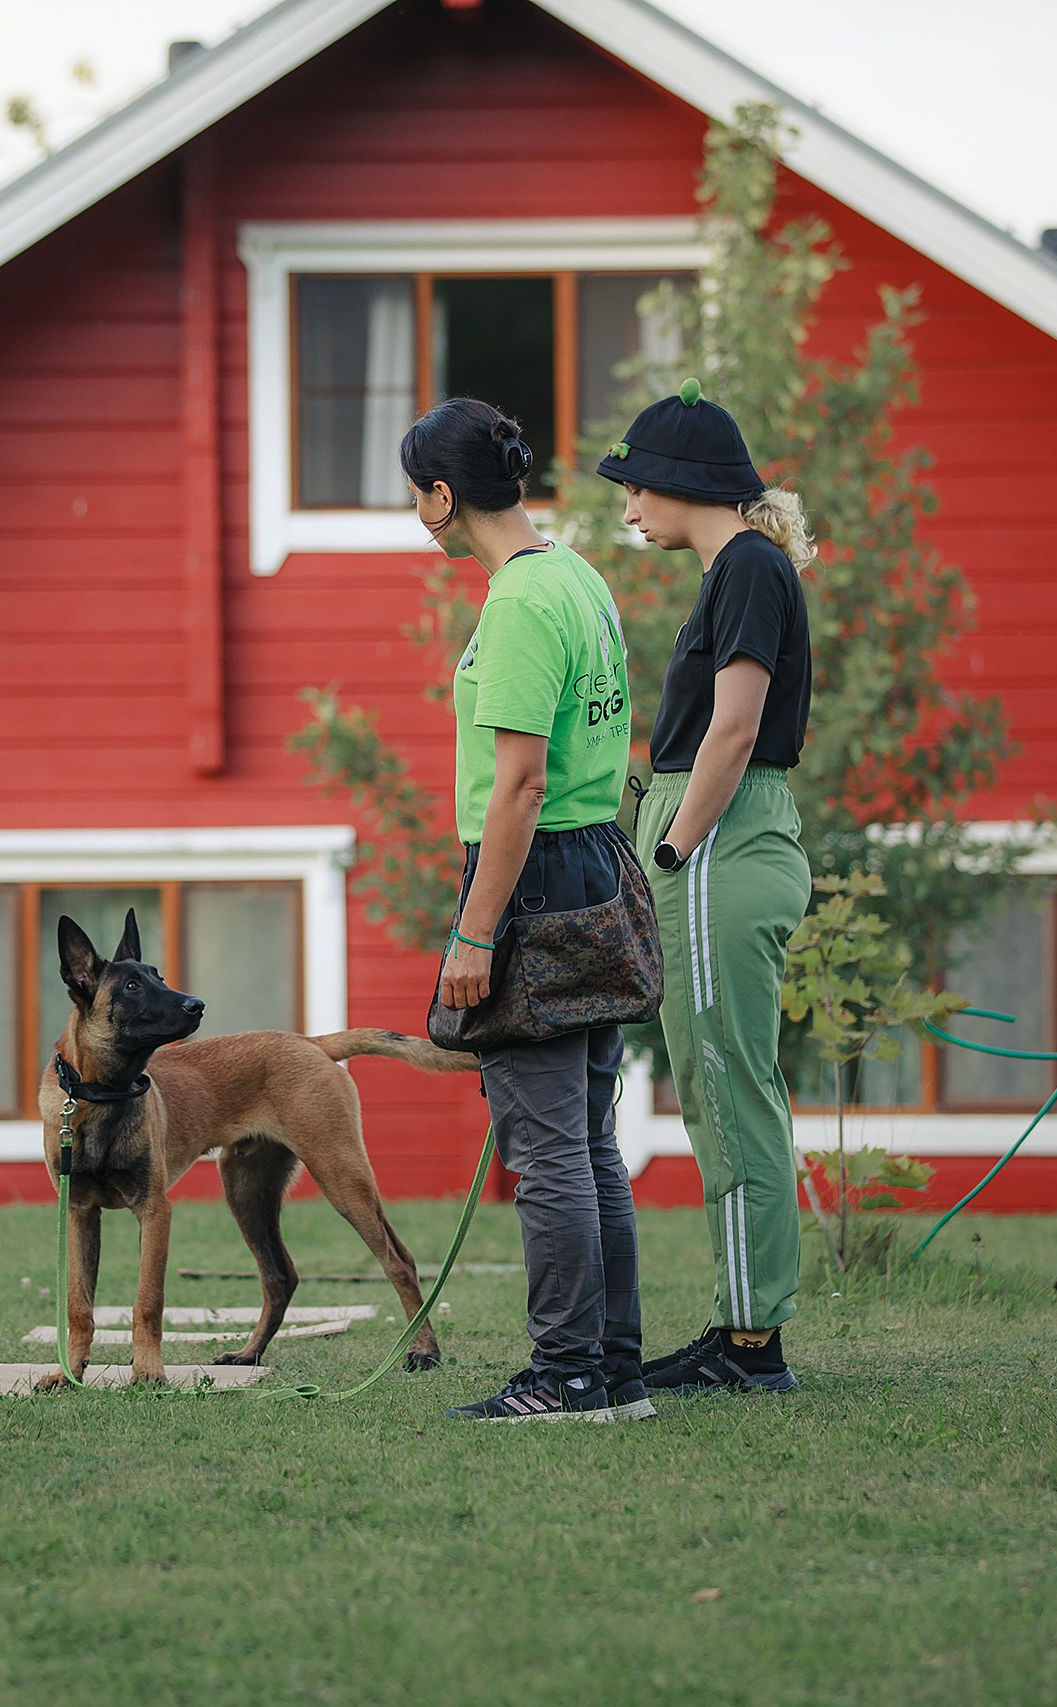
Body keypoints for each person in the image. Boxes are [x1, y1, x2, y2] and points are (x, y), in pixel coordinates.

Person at [414, 398, 648, 1424]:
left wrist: (473, 931)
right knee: (588, 1140)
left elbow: (517, 786)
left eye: (412, 492)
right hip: (597, 859)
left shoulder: (516, 602)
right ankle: (614, 1368)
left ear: (440, 496)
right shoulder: (577, 577)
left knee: (549, 1148)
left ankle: (566, 1373)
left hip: (534, 873)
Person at [597, 382, 816, 1394]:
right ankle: (742, 1327)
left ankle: (747, 1346)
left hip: (719, 849)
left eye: (636, 484)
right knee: (726, 1089)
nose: (629, 506)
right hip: (721, 843)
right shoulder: (740, 571)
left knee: (726, 1096)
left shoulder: (748, 570)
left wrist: (676, 849)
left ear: (682, 482)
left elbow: (732, 729)